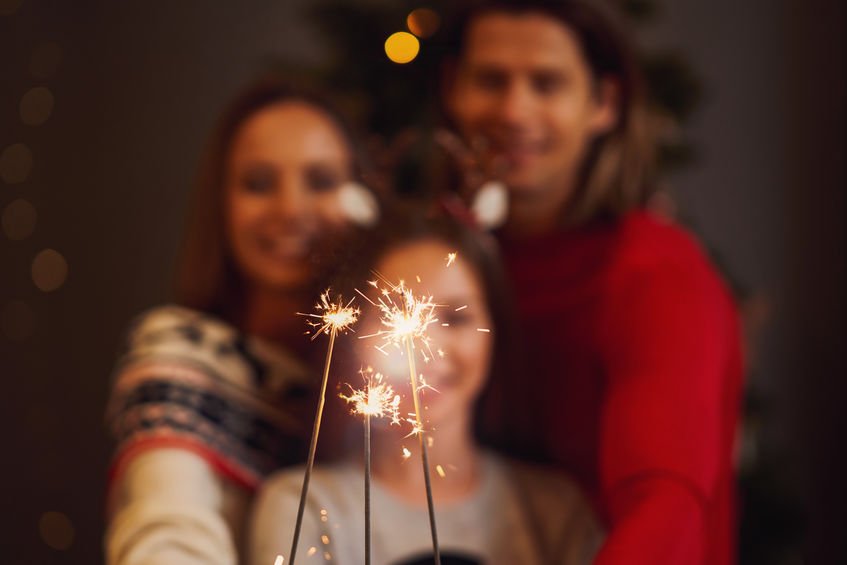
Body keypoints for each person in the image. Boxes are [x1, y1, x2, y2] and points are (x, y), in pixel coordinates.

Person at [438, 1, 744, 563]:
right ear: (452, 88)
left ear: (603, 104)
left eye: (546, 83)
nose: (513, 109)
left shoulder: (655, 277)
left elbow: (665, 510)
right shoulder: (435, 264)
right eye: (490, 80)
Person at [104, 76, 379, 565]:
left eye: (320, 181)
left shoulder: (387, 374)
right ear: (220, 204)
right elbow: (167, 531)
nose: (291, 209)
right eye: (258, 183)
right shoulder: (180, 357)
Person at [248, 214, 604, 565]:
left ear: (495, 330)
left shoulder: (556, 511)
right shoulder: (306, 507)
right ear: (353, 336)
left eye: (454, 318)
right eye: (394, 318)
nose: (426, 348)